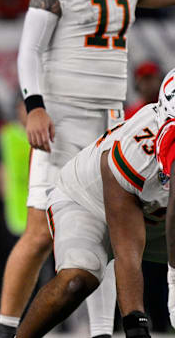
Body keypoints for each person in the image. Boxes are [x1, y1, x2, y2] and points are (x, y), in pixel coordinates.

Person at [0, 0, 175, 337]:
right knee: (41, 230)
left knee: (107, 228)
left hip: (110, 112)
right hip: (62, 113)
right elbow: (30, 47)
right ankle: (5, 330)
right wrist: (34, 105)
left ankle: (99, 332)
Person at [16, 68, 175, 338]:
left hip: (156, 214)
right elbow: (126, 251)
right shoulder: (133, 153)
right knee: (79, 278)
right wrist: (136, 325)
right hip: (88, 201)